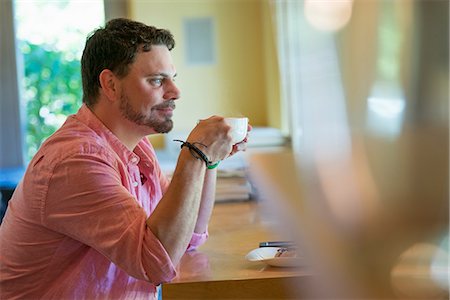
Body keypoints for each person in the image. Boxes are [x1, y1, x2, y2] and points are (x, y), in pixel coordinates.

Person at [0, 18, 250, 299]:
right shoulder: (76, 161)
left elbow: (187, 236)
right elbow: (156, 262)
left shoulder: (137, 147)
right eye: (157, 80)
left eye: (172, 79)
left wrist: (209, 159)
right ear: (110, 84)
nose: (175, 92)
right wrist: (195, 154)